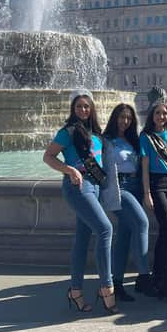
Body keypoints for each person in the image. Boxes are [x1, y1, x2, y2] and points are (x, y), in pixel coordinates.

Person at [43, 89, 117, 314]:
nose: (83, 110)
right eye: (79, 107)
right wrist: (68, 169)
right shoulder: (68, 132)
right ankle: (106, 287)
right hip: (78, 186)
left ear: (92, 108)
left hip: (94, 186)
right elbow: (48, 156)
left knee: (83, 239)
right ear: (73, 110)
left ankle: (75, 290)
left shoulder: (96, 133)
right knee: (105, 229)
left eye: (86, 106)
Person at [101, 103, 156, 301]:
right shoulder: (106, 140)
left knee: (124, 234)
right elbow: (97, 164)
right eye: (121, 117)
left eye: (128, 118)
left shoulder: (134, 139)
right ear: (114, 117)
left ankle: (116, 283)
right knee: (142, 223)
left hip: (134, 186)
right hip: (119, 187)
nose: (125, 121)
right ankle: (143, 277)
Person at [140, 95, 167, 303]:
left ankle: (157, 276)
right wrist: (147, 192)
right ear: (152, 116)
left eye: (165, 113)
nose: (162, 116)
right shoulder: (146, 137)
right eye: (158, 113)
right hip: (156, 186)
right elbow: (145, 166)